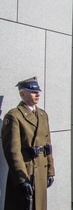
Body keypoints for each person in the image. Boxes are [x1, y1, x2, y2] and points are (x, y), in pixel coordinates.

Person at [2, 77, 55, 210]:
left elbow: (47, 146)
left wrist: (50, 170)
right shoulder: (14, 116)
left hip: (41, 171)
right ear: (22, 94)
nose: (37, 94)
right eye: (33, 92)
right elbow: (13, 151)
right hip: (25, 171)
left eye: (38, 91)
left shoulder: (42, 115)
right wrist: (21, 179)